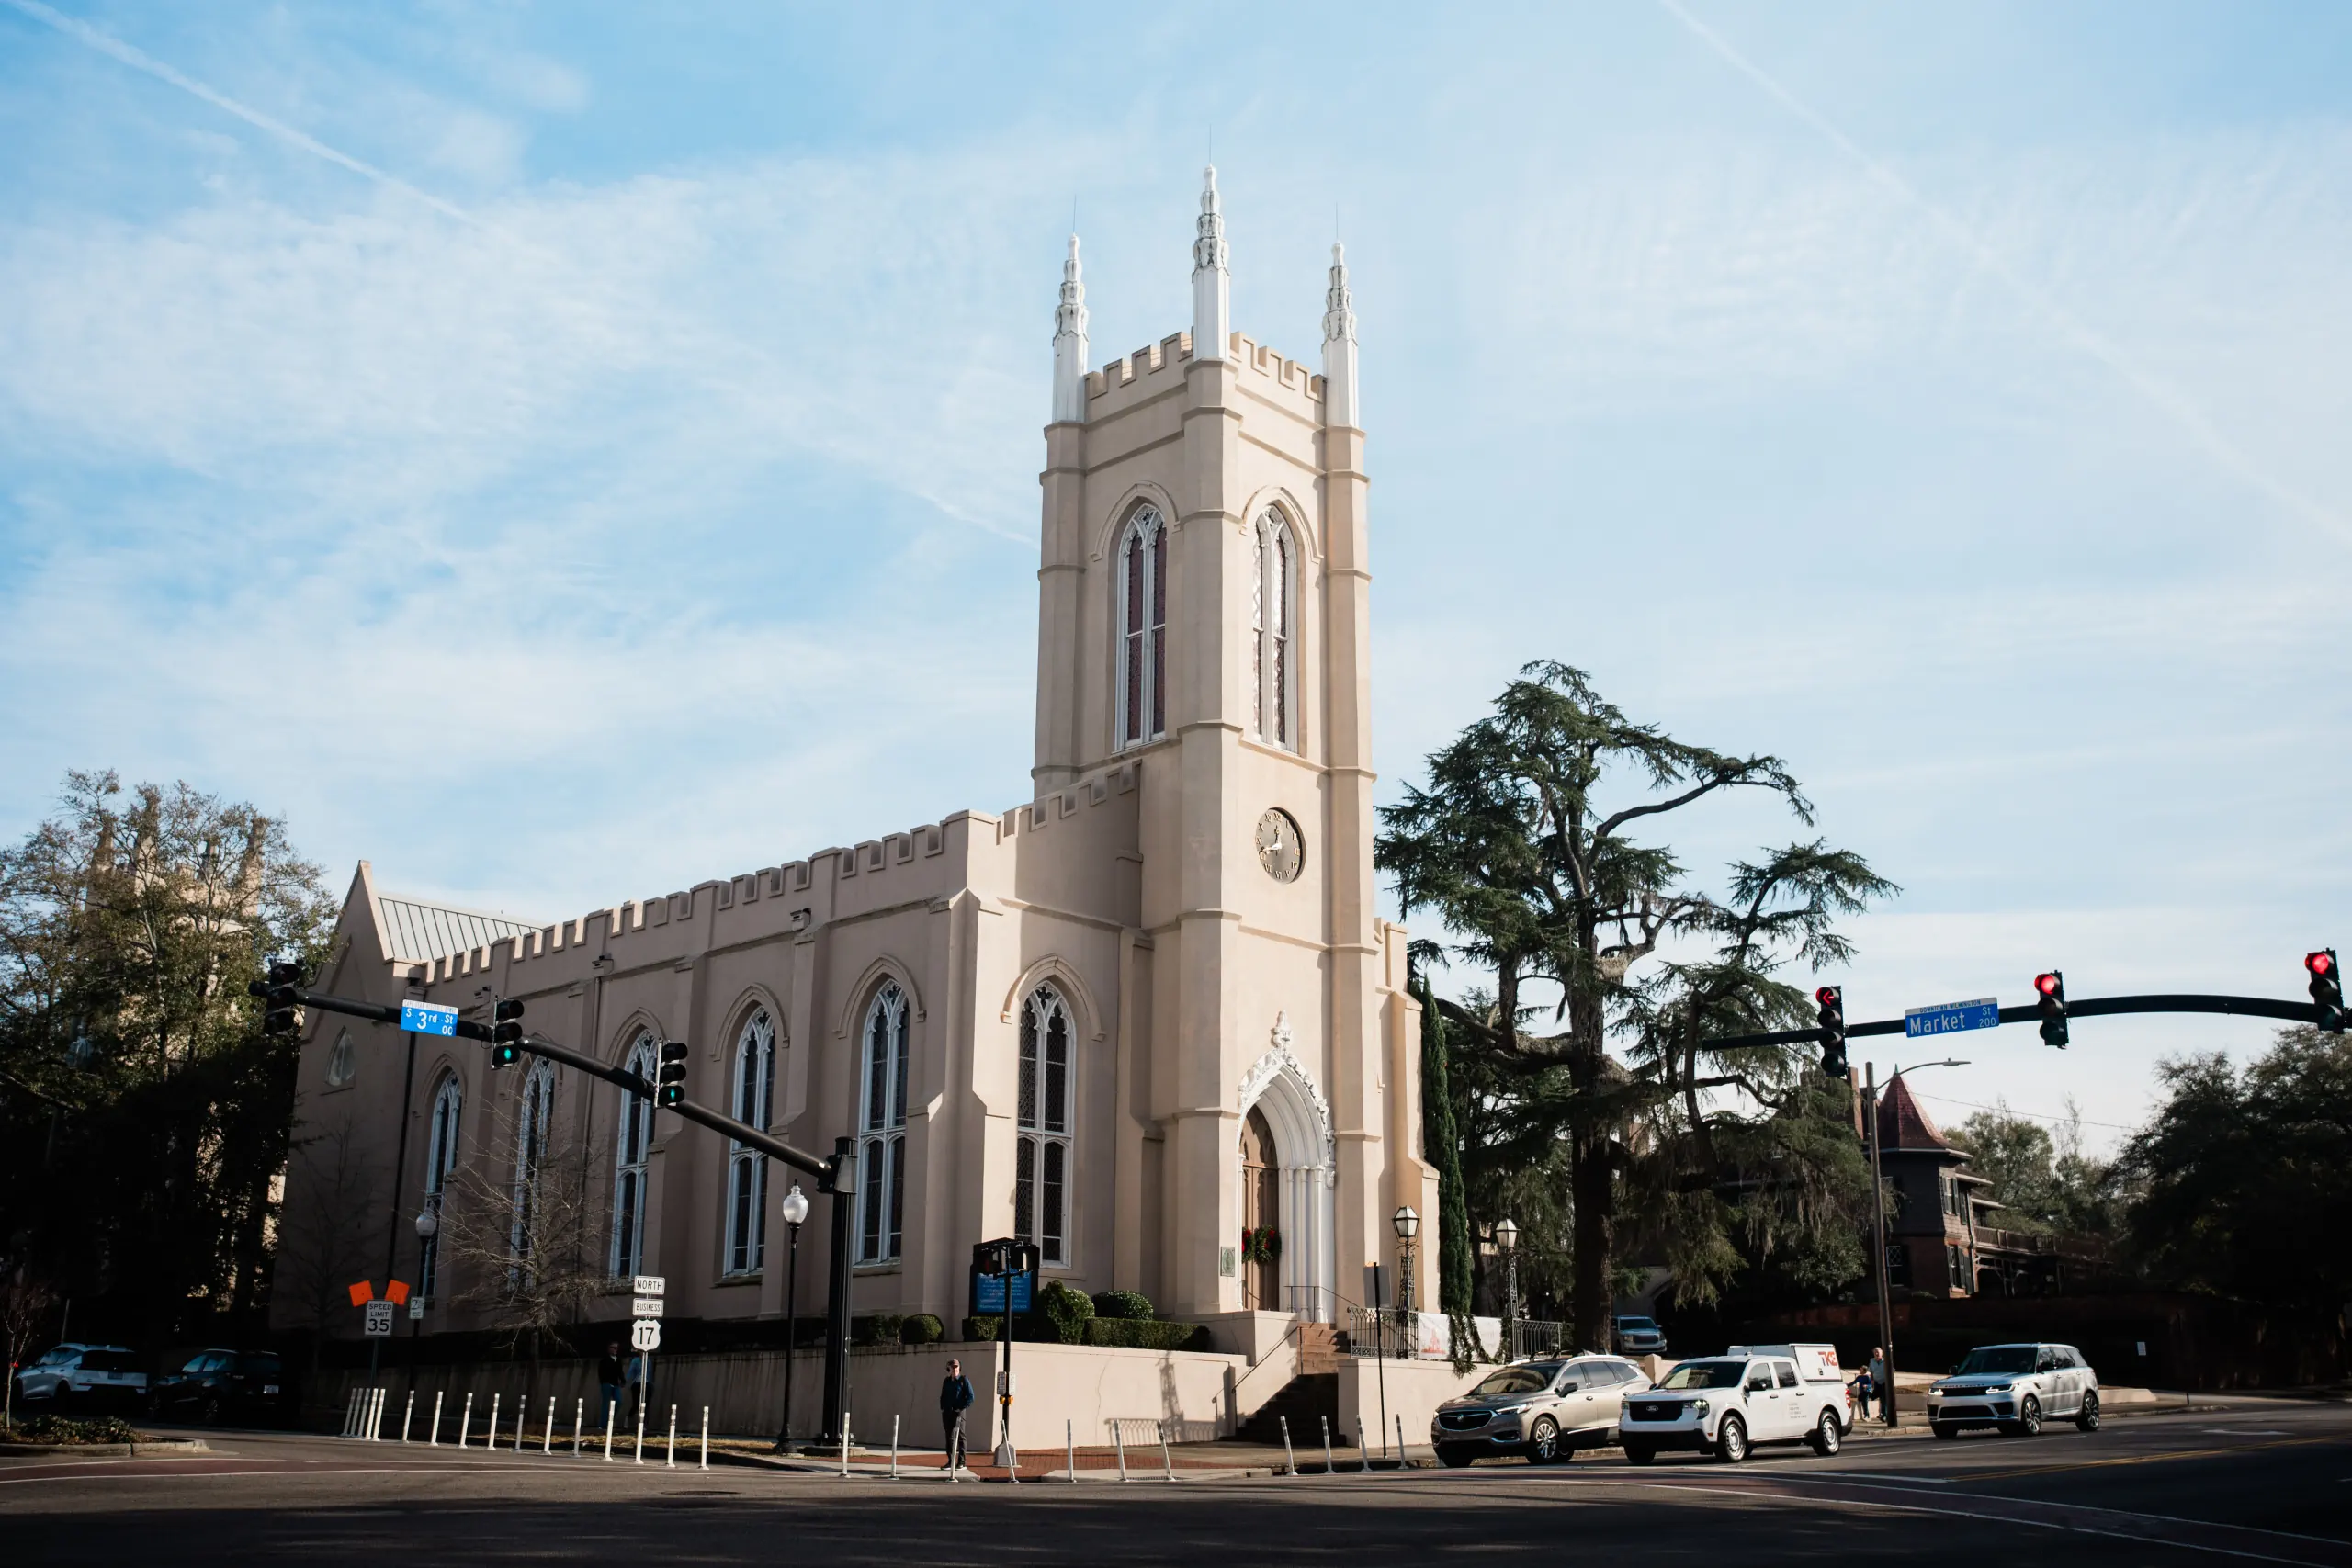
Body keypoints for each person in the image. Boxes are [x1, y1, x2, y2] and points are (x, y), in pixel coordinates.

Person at [939, 1357, 975, 1471]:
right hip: (947, 1412)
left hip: (959, 1413)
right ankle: (951, 1461)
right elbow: (943, 1395)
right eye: (952, 1367)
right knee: (949, 1437)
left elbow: (970, 1397)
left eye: (956, 1367)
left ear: (960, 1368)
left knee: (960, 1436)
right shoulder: (947, 1381)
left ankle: (962, 1462)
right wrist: (943, 1408)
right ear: (948, 1368)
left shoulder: (964, 1380)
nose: (955, 1369)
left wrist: (961, 1408)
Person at [596, 1342, 625, 1427]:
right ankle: (603, 1424)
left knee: (619, 1402)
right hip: (606, 1384)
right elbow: (600, 1372)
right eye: (614, 1348)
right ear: (609, 1348)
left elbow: (620, 1372)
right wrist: (603, 1382)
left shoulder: (618, 1360)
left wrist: (623, 1380)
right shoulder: (604, 1360)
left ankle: (610, 1419)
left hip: (615, 1384)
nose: (616, 1350)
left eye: (617, 1348)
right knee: (605, 1404)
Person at [1868, 1348, 1890, 1419]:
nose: (1876, 1354)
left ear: (1882, 1353)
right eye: (1875, 1353)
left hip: (1884, 1383)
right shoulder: (1872, 1361)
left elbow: (1891, 1371)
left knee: (1883, 1398)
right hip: (1877, 1382)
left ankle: (1884, 1415)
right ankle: (1883, 1413)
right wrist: (1871, 1381)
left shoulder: (1886, 1360)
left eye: (1878, 1352)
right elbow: (1871, 1371)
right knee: (1873, 1396)